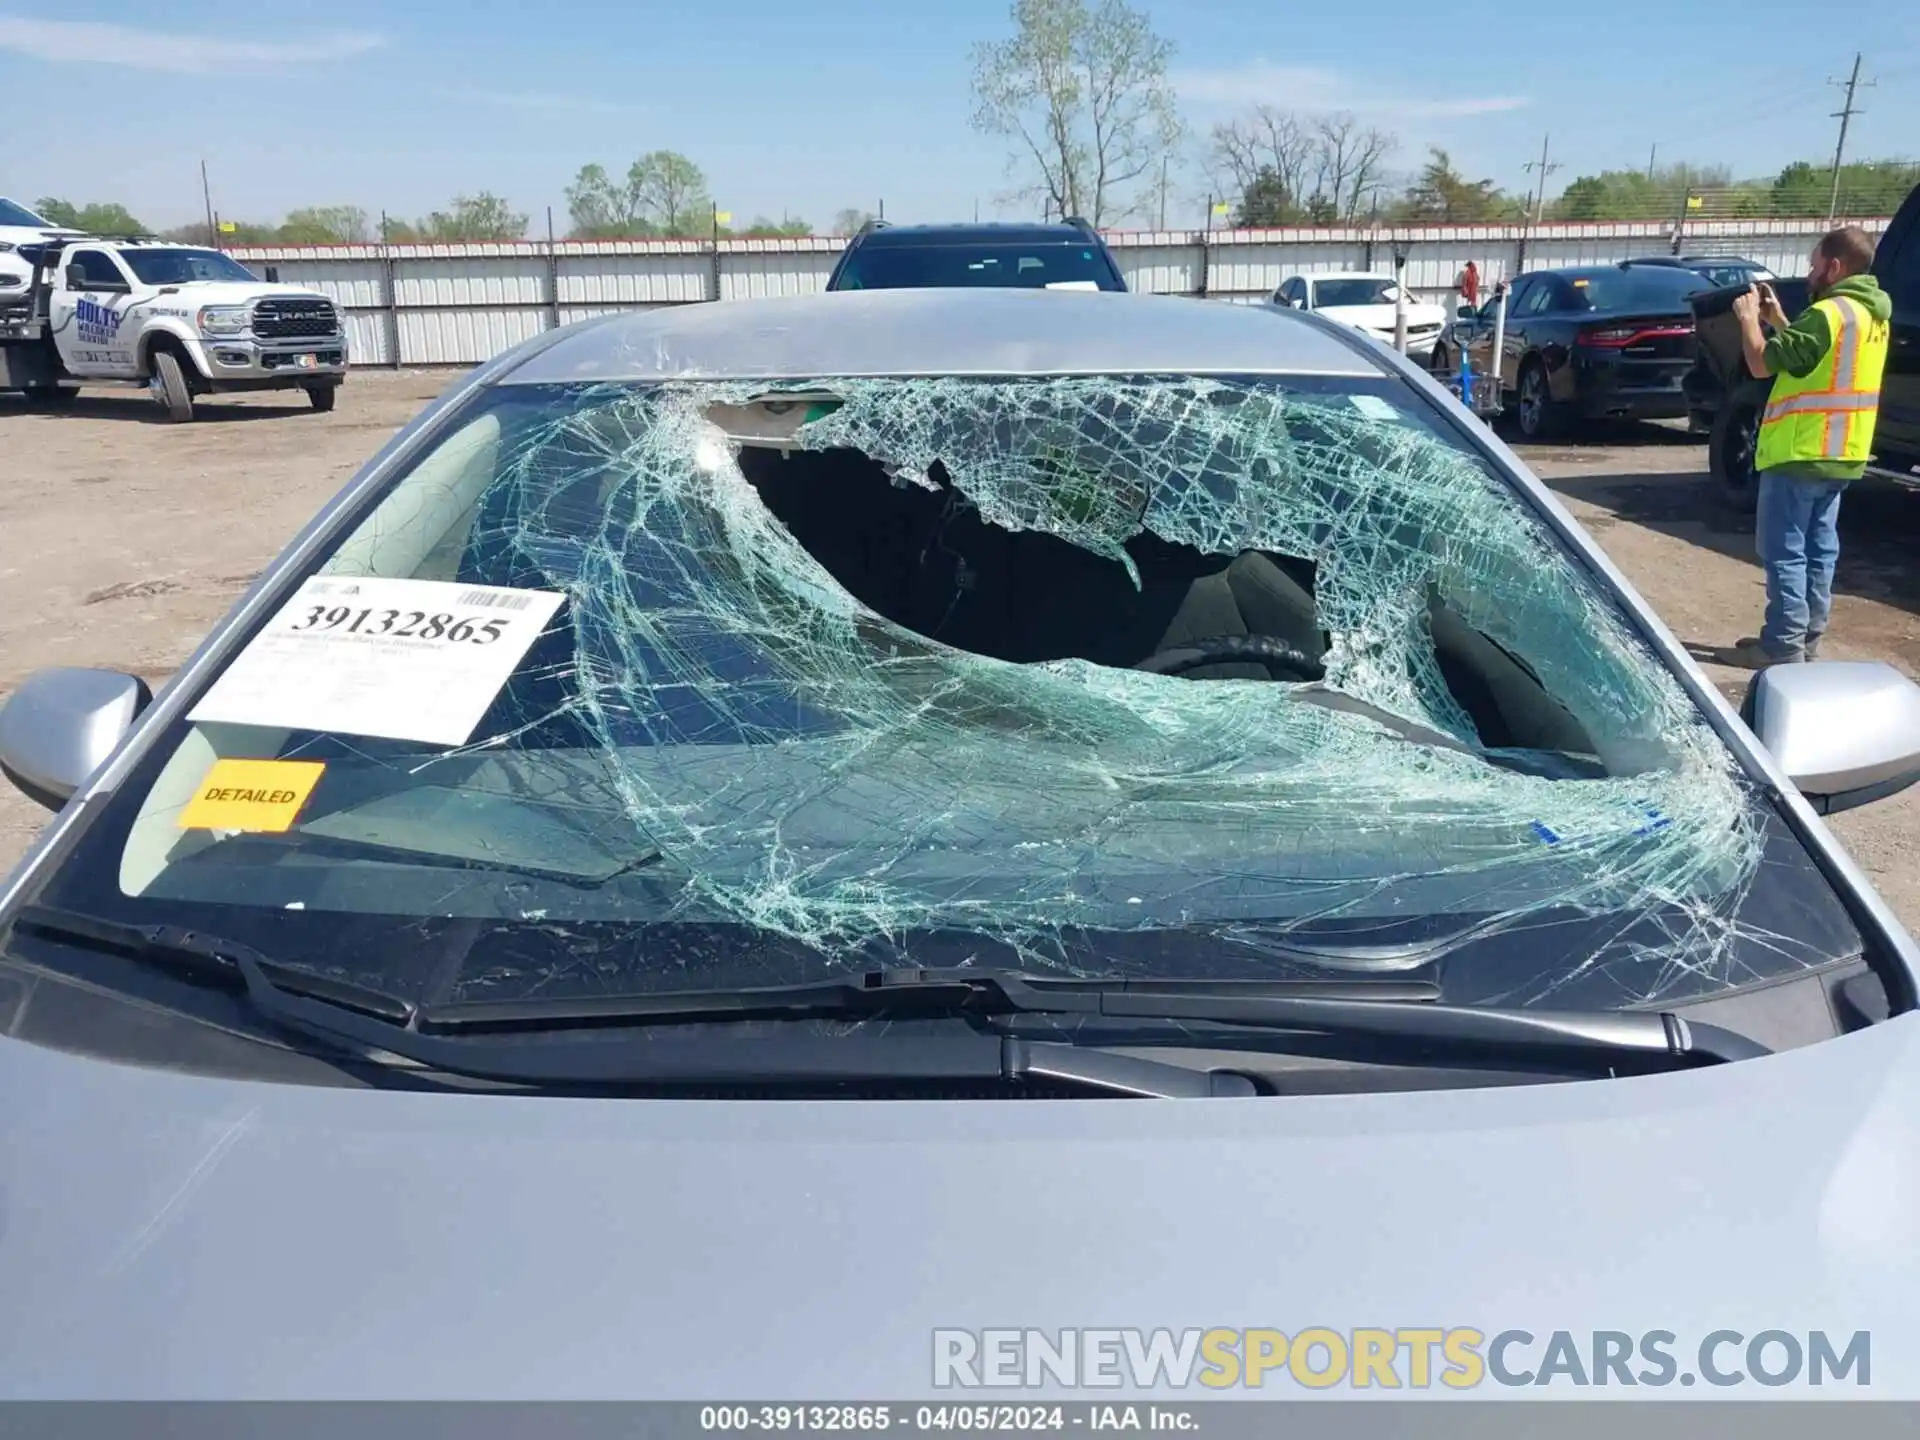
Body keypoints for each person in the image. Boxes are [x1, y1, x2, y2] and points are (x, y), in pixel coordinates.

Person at [1727, 226, 1890, 667]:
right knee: (1820, 553)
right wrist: (1779, 320)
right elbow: (1812, 357)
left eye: (1814, 263)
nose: (1809, 271)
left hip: (1801, 452)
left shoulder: (1828, 313)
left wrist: (1747, 322)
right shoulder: (1870, 315)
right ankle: (1805, 640)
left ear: (1834, 267)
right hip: (1844, 452)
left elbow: (1762, 365)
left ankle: (1781, 646)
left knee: (1784, 553)